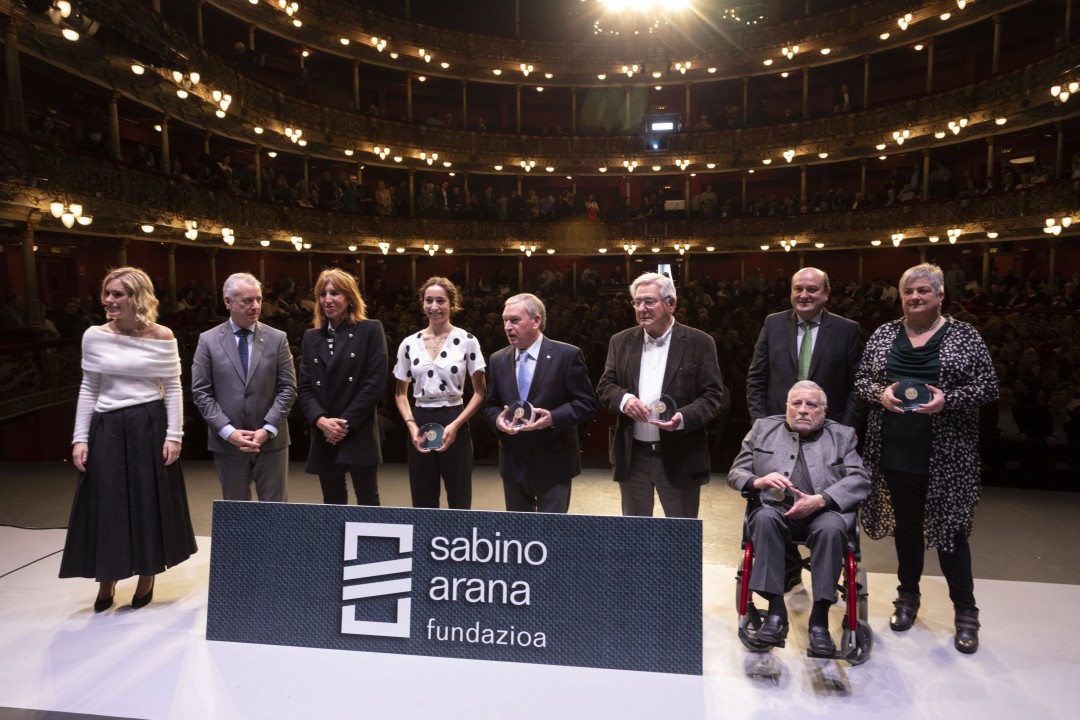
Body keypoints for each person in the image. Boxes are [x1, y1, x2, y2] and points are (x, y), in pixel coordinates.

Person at [855, 263, 998, 654]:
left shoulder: (964, 335)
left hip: (947, 456)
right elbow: (862, 381)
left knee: (952, 535)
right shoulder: (885, 334)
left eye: (923, 291)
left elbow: (988, 386)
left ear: (940, 296)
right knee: (906, 530)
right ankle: (908, 598)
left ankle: (966, 614)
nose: (915, 297)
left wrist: (947, 400)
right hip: (894, 451)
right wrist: (880, 395)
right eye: (909, 292)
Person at [59, 267, 196, 611]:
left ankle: (147, 576)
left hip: (149, 424)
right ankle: (107, 580)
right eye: (106, 293)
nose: (108, 300)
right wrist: (80, 438)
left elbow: (173, 388)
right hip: (106, 425)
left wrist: (174, 435)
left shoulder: (163, 336)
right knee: (109, 505)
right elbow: (89, 387)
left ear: (137, 297)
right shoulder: (94, 336)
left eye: (117, 294)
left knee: (148, 502)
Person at [727, 381, 870, 655]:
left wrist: (823, 499)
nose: (803, 410)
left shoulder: (842, 436)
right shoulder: (763, 429)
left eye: (811, 404)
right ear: (787, 407)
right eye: (797, 403)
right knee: (763, 518)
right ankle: (776, 612)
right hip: (776, 511)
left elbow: (860, 480)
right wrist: (758, 481)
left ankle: (819, 621)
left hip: (824, 512)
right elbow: (736, 473)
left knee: (831, 529)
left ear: (824, 411)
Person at [596, 272, 725, 518]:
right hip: (633, 456)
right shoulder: (620, 341)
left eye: (649, 301)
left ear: (671, 304)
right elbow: (605, 386)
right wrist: (625, 400)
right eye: (637, 302)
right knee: (635, 532)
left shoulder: (699, 342)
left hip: (680, 454)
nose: (641, 308)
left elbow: (713, 396)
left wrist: (682, 417)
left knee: (680, 533)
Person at [481, 293, 597, 513]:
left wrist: (553, 418)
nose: (507, 327)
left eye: (514, 320)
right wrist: (498, 421)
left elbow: (587, 402)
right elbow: (490, 405)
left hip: (555, 462)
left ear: (536, 321)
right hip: (514, 462)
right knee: (518, 531)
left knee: (551, 531)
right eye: (505, 320)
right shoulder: (498, 359)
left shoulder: (567, 355)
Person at [191, 273, 297, 502]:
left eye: (258, 299)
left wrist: (267, 429)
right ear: (228, 302)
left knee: (276, 512)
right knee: (236, 513)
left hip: (271, 441)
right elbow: (201, 393)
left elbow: (288, 388)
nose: (256, 306)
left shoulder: (277, 338)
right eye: (247, 301)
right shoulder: (208, 340)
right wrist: (228, 431)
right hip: (228, 443)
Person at [393, 277, 487, 509]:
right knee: (423, 499)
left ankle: (459, 535)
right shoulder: (408, 343)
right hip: (420, 420)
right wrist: (411, 425)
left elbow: (480, 392)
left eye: (440, 301)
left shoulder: (468, 341)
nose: (434, 307)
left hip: (455, 418)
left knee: (459, 497)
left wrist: (456, 425)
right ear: (422, 303)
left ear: (452, 304)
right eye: (429, 301)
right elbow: (400, 394)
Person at [297, 268, 388, 505]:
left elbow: (375, 384)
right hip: (325, 431)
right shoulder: (311, 337)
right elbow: (304, 388)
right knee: (332, 501)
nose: (327, 299)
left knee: (368, 501)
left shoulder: (370, 329)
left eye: (334, 293)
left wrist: (344, 424)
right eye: (322, 294)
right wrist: (321, 421)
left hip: (357, 428)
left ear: (350, 297)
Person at [747, 267, 865, 427]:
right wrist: (761, 424)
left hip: (830, 428)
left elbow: (859, 385)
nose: (803, 295)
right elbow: (756, 379)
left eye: (812, 289)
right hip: (778, 426)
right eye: (798, 289)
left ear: (827, 293)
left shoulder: (847, 330)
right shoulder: (773, 324)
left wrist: (845, 428)